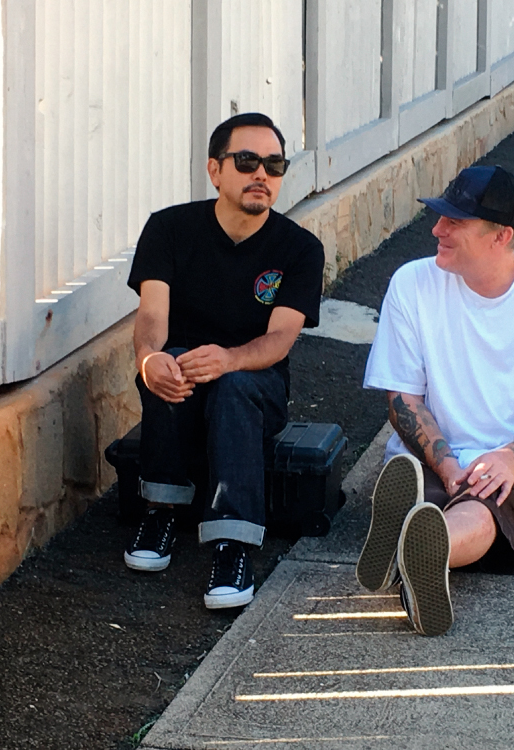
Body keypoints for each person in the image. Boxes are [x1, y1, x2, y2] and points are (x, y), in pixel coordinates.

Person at [356, 165, 514, 636]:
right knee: (435, 496)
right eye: (439, 217)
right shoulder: (413, 283)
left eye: (454, 221)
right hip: (433, 458)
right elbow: (403, 398)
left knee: (483, 506)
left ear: (501, 236)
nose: (437, 229)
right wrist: (447, 464)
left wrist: (510, 459)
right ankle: (419, 541)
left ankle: (417, 547)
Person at [125, 113, 325, 609]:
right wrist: (148, 359)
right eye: (247, 161)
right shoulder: (169, 229)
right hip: (185, 379)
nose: (262, 174)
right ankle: (161, 510)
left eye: (274, 165)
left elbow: (279, 339)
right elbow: (151, 316)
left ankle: (233, 544)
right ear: (215, 170)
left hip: (257, 386)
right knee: (172, 363)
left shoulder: (300, 249)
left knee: (234, 385)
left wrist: (230, 359)